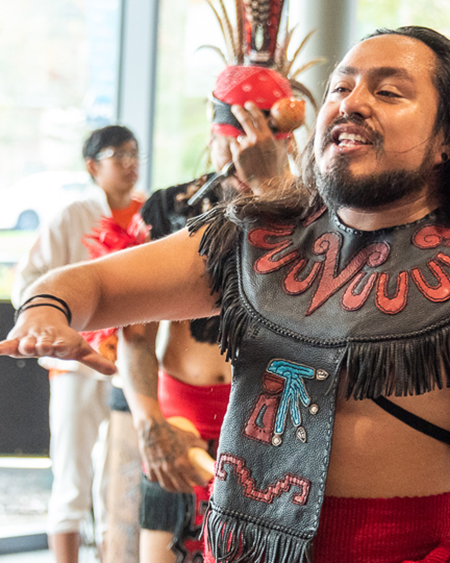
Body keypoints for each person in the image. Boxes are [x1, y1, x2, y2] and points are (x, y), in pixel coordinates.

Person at [0, 25, 450, 563]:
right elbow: (89, 283)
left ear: (447, 140)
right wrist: (47, 310)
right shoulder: (250, 235)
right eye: (340, 87)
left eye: (389, 91)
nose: (352, 101)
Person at [123, 4, 315, 561]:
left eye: (253, 148)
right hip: (178, 410)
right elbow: (133, 333)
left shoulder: (311, 215)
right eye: (229, 147)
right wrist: (148, 422)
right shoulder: (170, 208)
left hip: (266, 418)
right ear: (214, 139)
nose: (238, 162)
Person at [11, 124, 144, 563]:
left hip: (132, 363)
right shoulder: (71, 216)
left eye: (134, 153)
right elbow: (27, 283)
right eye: (117, 154)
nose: (129, 163)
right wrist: (56, 323)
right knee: (72, 474)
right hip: (77, 364)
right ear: (93, 165)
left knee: (120, 477)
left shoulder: (151, 215)